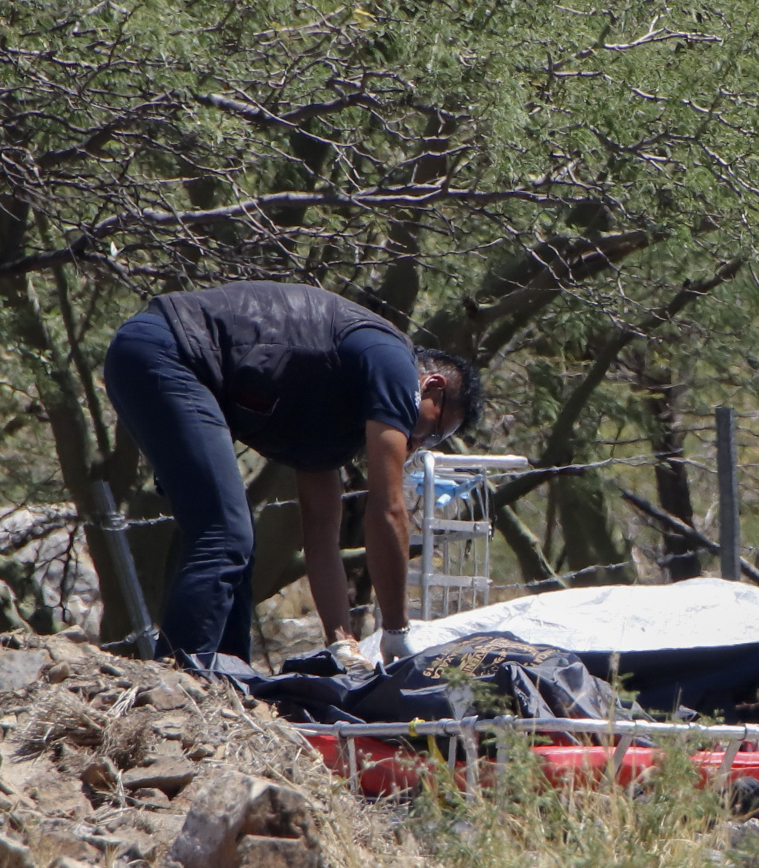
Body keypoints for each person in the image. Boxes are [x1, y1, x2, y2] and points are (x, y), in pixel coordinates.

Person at [102, 282, 482, 666]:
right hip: (168, 351)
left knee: (234, 540)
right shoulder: (394, 362)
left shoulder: (333, 414)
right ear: (432, 386)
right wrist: (397, 632)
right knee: (225, 533)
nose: (417, 444)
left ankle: (229, 679)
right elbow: (388, 508)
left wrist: (341, 640)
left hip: (146, 354)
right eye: (432, 431)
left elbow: (321, 534)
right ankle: (179, 683)